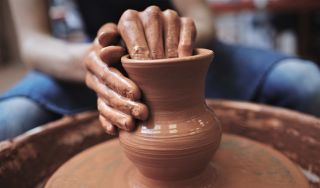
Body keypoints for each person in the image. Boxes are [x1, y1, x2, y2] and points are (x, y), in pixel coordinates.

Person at [0, 0, 319, 140]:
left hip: (184, 49)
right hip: (95, 53)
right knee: (11, 120)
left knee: (306, 84)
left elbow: (202, 18)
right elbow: (32, 42)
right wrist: (96, 58)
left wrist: (181, 36)